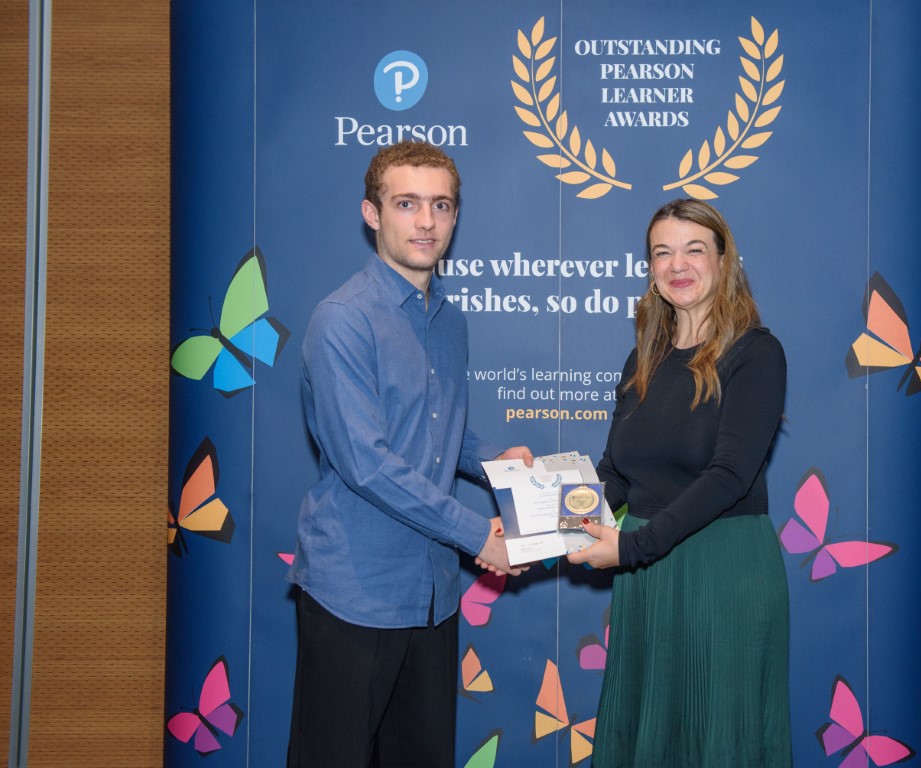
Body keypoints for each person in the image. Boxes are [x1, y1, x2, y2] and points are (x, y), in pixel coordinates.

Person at [286, 140, 532, 768]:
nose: (426, 221)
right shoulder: (343, 319)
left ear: (455, 216)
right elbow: (367, 463)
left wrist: (499, 462)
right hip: (355, 592)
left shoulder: (449, 321)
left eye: (440, 205)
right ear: (372, 214)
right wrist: (479, 536)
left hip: (432, 595)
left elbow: (439, 432)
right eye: (406, 204)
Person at [567, 199, 791, 767]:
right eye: (662, 252)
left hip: (722, 572)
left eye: (695, 249)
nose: (678, 264)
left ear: (724, 261)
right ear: (650, 269)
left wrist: (632, 548)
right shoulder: (642, 359)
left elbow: (730, 476)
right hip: (649, 576)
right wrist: (549, 522)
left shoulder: (756, 353)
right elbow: (615, 473)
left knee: (717, 737)